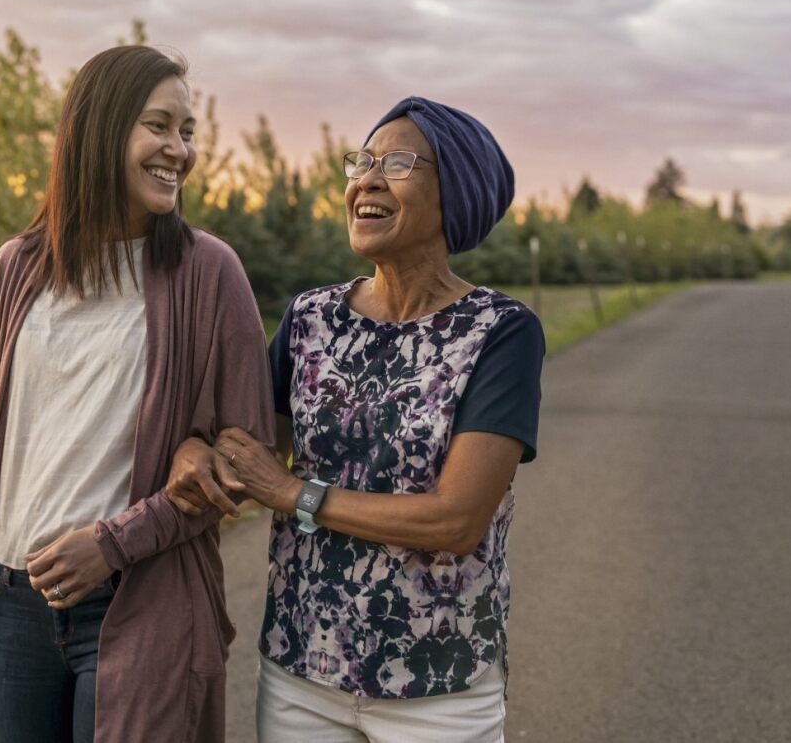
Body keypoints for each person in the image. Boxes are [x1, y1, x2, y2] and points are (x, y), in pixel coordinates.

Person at [0, 44, 275, 743]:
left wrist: (113, 542)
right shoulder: (16, 269)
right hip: (15, 603)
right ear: (99, 130)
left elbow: (242, 459)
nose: (180, 149)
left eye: (187, 131)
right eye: (158, 126)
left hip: (141, 597)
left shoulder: (208, 273)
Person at [168, 96, 544, 742]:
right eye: (361, 161)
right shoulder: (310, 319)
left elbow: (456, 519)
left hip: (440, 686)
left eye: (397, 162)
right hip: (301, 675)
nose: (366, 178)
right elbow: (248, 452)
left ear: (454, 191)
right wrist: (194, 451)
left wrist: (293, 492)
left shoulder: (500, 333)